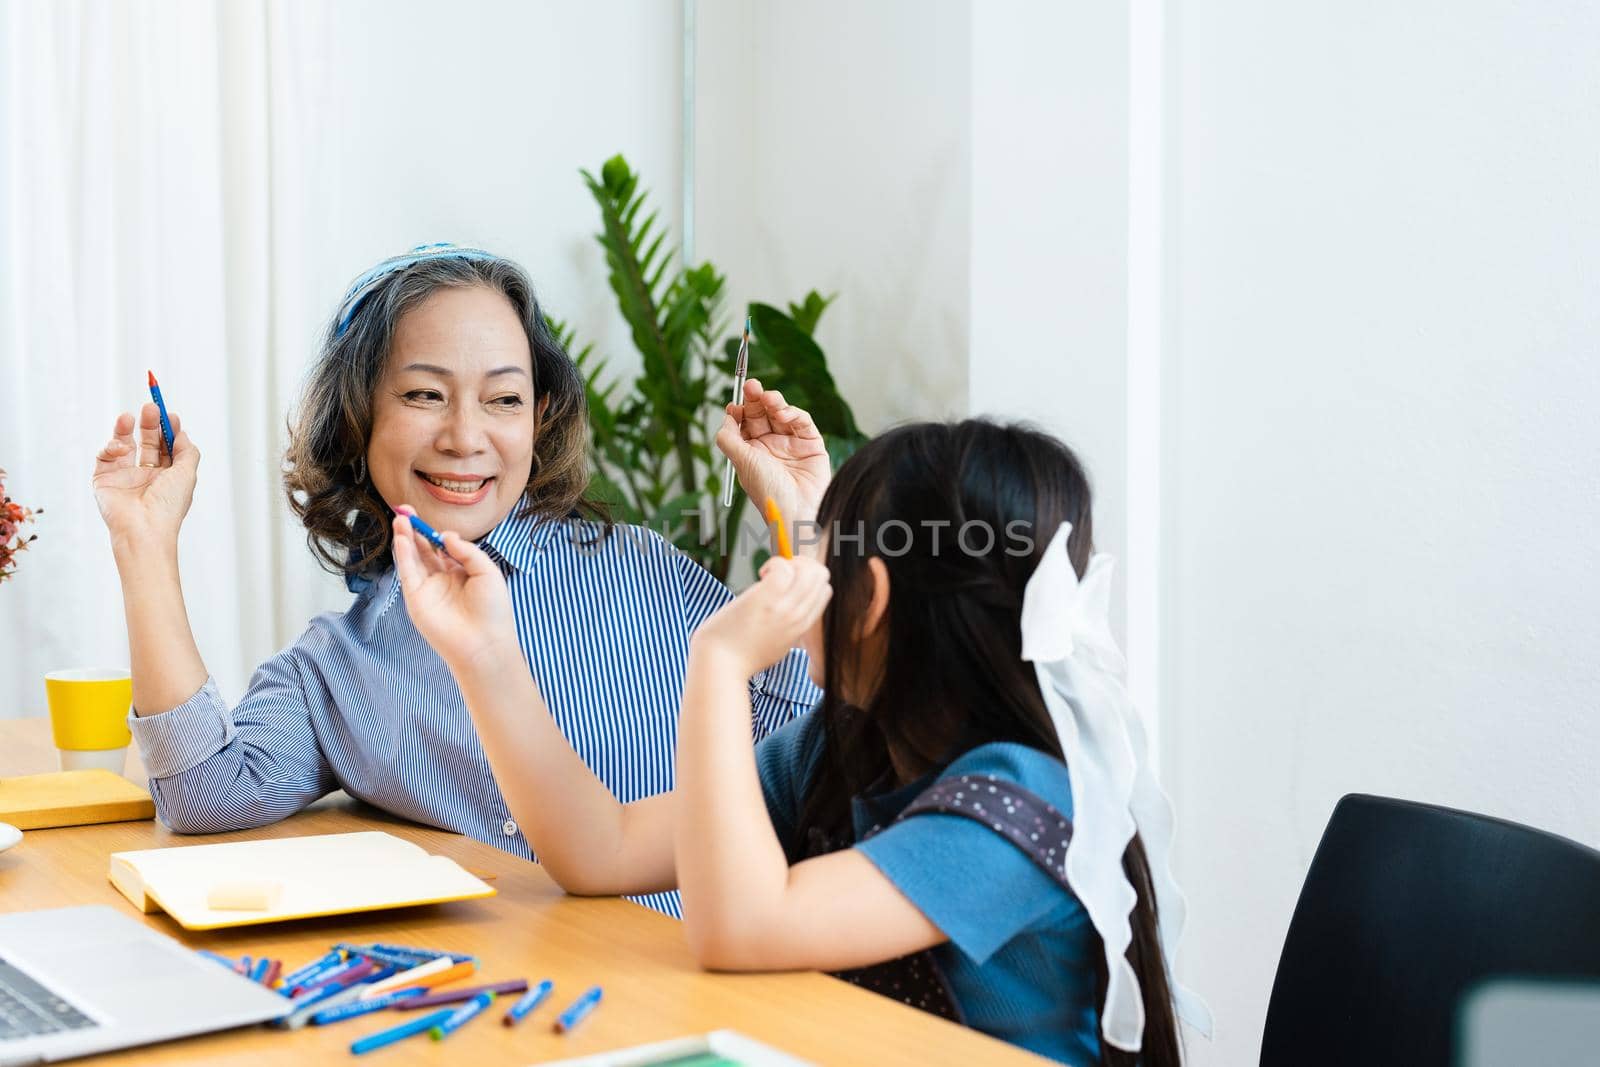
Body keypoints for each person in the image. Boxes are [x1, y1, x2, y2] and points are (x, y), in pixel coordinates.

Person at [392, 416, 1210, 1064]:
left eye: (821, 555)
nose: (796, 566)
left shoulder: (1020, 804)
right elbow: (598, 848)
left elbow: (743, 928)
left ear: (873, 597)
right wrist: (486, 654)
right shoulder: (845, 749)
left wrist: (717, 661)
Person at [90, 244, 822, 916]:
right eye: (424, 395)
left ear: (539, 419)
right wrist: (143, 544)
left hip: (706, 982)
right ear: (357, 418)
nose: (465, 438)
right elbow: (204, 792)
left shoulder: (639, 565)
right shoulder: (338, 668)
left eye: (503, 399)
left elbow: (817, 729)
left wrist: (804, 522)